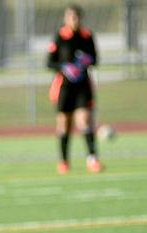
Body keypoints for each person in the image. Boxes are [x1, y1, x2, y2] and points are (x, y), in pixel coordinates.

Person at [47, 4, 101, 174]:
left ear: (80, 18)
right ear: (66, 18)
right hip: (65, 87)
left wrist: (85, 61)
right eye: (70, 17)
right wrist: (64, 67)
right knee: (64, 124)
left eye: (76, 17)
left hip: (83, 86)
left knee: (84, 120)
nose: (73, 20)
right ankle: (64, 162)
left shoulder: (87, 36)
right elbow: (49, 62)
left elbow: (95, 59)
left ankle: (92, 159)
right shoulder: (60, 37)